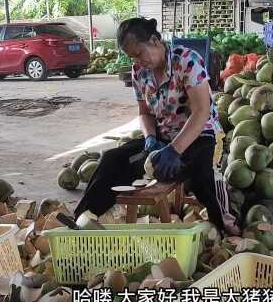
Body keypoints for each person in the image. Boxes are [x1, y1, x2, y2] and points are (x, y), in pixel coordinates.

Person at [73, 17, 238, 235]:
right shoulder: (139, 73)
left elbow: (201, 112)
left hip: (202, 134)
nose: (138, 61)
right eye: (132, 57)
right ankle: (82, 220)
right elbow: (145, 113)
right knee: (113, 160)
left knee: (201, 175)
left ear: (154, 40)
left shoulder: (186, 61)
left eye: (139, 54)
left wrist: (174, 149)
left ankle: (227, 227)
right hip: (164, 136)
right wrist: (150, 138)